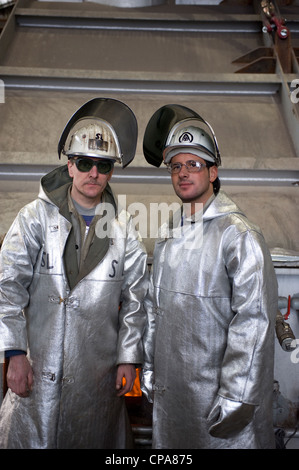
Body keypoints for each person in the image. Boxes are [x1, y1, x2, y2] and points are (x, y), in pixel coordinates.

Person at [0, 98, 148, 449]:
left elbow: (136, 299)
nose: (93, 173)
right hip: (38, 370)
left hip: (98, 379)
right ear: (69, 166)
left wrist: (129, 358)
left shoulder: (125, 229)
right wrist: (14, 354)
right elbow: (7, 286)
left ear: (111, 170)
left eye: (103, 164)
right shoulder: (34, 217)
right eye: (84, 162)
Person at [141, 104, 278, 449]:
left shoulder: (239, 235)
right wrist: (149, 368)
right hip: (172, 402)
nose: (183, 173)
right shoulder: (169, 232)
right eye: (176, 166)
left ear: (213, 172)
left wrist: (238, 397)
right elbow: (153, 308)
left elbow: (254, 322)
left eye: (193, 164)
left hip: (222, 408)